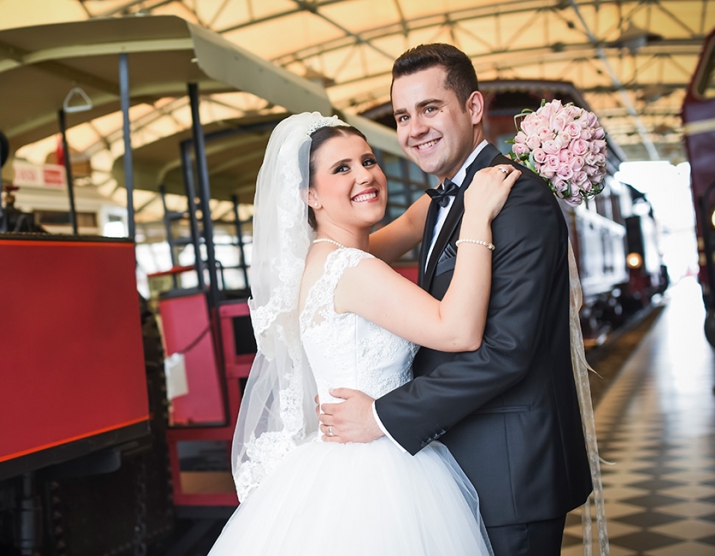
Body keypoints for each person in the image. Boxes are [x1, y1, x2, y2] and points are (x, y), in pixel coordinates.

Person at [317, 44, 593, 556]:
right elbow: (352, 257)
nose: (414, 128)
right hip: (453, 466)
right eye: (403, 115)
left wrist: (380, 415)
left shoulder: (517, 197)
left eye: (430, 109)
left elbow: (505, 350)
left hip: (511, 474)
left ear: (472, 109)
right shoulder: (444, 201)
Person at [206, 111, 520, 556]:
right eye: (342, 168)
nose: (365, 175)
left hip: (338, 457)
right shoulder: (351, 269)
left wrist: (492, 167)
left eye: (368, 160)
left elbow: (417, 219)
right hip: (379, 463)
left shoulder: (325, 256)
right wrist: (476, 220)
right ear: (310, 196)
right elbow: (458, 331)